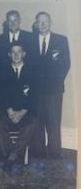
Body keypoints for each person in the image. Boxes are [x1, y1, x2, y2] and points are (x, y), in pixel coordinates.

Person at [27, 12, 71, 159]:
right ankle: (38, 152)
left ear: (50, 22)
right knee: (37, 122)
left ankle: (54, 153)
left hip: (54, 90)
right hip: (36, 91)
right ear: (36, 24)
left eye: (45, 21)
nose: (43, 24)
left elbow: (65, 64)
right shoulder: (30, 40)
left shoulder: (61, 40)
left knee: (53, 122)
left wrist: (54, 82)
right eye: (40, 22)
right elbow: (28, 65)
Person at [0, 42, 37, 173]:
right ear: (9, 54)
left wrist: (21, 113)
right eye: (13, 52)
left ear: (24, 54)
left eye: (19, 52)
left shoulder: (32, 72)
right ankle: (9, 156)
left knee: (32, 123)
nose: (16, 55)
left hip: (25, 113)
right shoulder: (2, 72)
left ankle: (12, 157)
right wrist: (10, 111)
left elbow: (34, 97)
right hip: (8, 113)